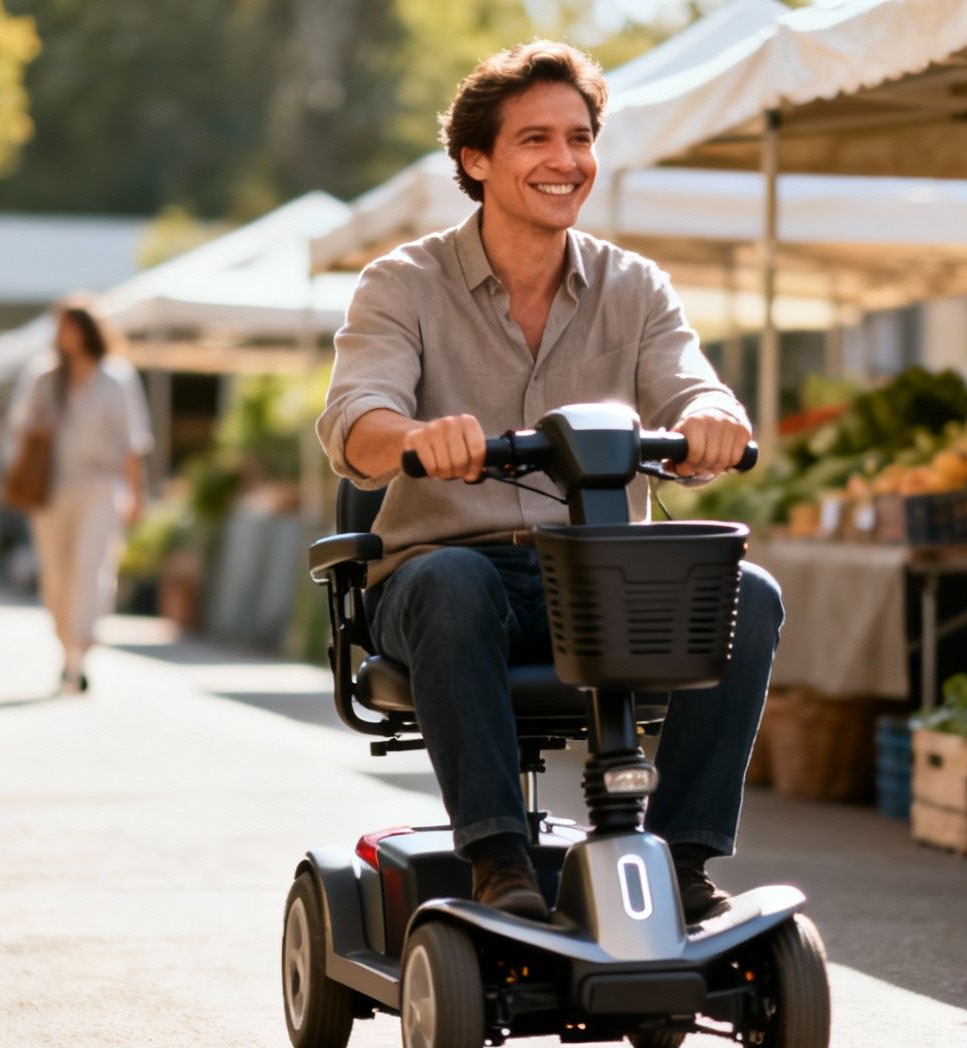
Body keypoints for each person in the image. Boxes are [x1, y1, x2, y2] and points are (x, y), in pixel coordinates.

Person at [316, 42, 780, 925]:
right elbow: (353, 421)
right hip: (447, 575)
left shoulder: (634, 286)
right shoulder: (402, 284)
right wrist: (415, 438)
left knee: (747, 593)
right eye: (535, 140)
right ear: (476, 160)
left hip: (601, 582)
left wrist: (714, 418)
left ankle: (681, 861)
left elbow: (693, 384)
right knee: (452, 580)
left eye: (579, 138)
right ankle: (496, 858)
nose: (565, 161)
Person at [9, 302, 151, 694]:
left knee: (90, 569)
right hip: (52, 488)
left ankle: (78, 655)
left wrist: (137, 494)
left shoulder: (116, 378)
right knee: (56, 574)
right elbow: (21, 427)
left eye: (69, 326)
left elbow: (132, 444)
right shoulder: (44, 376)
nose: (63, 334)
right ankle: (65, 645)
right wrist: (41, 429)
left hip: (101, 487)